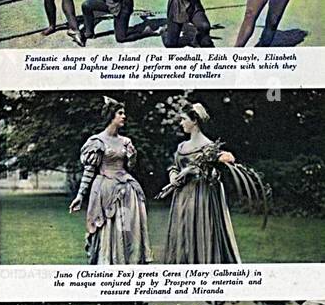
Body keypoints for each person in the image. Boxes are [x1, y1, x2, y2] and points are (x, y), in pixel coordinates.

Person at [69, 98, 151, 264]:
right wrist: (80, 195)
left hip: (126, 190)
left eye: (124, 113)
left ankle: (127, 261)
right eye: (120, 113)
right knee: (108, 226)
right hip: (106, 190)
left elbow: (130, 166)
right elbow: (89, 170)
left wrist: (132, 157)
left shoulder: (125, 141)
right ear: (111, 116)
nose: (124, 116)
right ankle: (109, 260)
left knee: (126, 228)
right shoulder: (97, 142)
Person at [159, 102, 241, 263]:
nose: (181, 123)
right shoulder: (182, 146)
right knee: (182, 231)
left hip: (201, 195)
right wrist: (173, 176)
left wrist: (193, 170)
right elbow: (174, 167)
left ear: (194, 120)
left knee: (201, 229)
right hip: (182, 196)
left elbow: (227, 160)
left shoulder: (209, 146)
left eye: (183, 119)